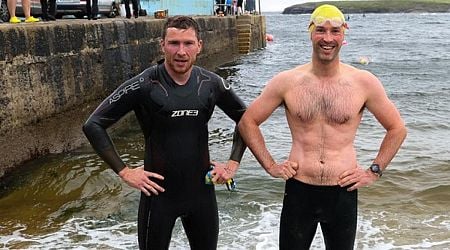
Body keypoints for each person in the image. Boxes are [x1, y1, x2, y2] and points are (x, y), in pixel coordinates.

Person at [238, 4, 407, 249]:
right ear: (310, 33)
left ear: (343, 35)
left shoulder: (363, 83)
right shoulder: (287, 82)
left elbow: (397, 128)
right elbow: (248, 122)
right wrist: (271, 165)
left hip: (343, 191)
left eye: (335, 31)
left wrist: (374, 171)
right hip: (299, 189)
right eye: (320, 30)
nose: (327, 38)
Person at [83, 16, 246, 249]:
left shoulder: (211, 83)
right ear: (162, 45)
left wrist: (232, 164)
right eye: (174, 43)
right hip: (158, 196)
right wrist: (125, 171)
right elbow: (93, 124)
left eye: (188, 43)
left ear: (199, 46)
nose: (181, 51)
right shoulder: (143, 84)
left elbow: (246, 120)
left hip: (201, 194)